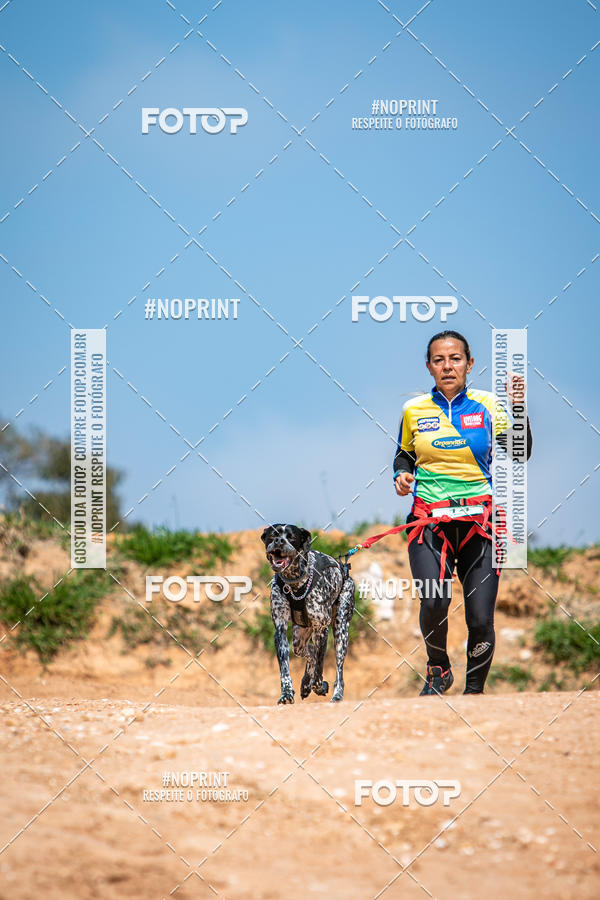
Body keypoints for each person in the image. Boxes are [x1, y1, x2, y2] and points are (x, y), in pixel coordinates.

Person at [393, 330, 532, 696]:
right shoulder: (414, 409)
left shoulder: (487, 404)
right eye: (439, 360)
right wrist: (401, 474)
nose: (447, 366)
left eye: (455, 358)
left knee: (480, 618)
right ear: (429, 367)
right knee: (433, 599)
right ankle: (438, 669)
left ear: (470, 364)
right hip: (430, 522)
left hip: (480, 524)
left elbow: (520, 452)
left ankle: (474, 695)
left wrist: (518, 407)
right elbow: (404, 453)